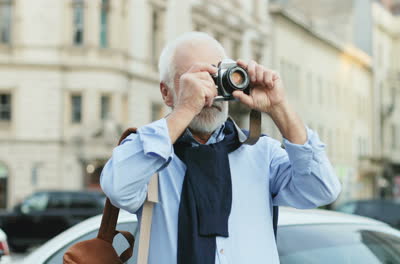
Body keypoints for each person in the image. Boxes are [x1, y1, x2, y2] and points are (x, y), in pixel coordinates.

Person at [100, 32, 341, 264]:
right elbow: (118, 187)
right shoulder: (148, 154)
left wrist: (278, 106)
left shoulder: (261, 152)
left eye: (216, 77)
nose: (208, 92)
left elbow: (322, 189)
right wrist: (185, 109)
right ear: (166, 93)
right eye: (193, 80)